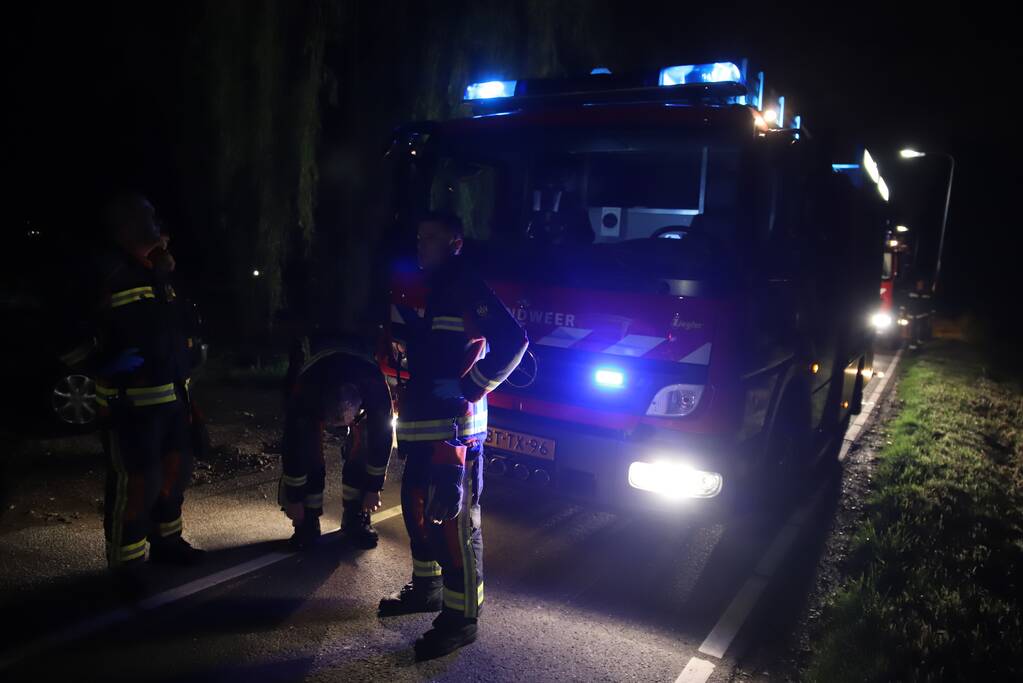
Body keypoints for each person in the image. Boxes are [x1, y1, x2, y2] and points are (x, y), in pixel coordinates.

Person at [379, 211, 528, 660]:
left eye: (432, 238)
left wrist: (470, 385)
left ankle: (461, 619)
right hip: (422, 425)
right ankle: (426, 589)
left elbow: (514, 341)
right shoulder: (427, 286)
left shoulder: (466, 285)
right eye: (419, 236)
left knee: (455, 522)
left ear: (455, 243)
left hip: (454, 431)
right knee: (417, 509)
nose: (422, 245)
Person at [57, 193, 203, 590]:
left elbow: (175, 326)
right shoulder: (103, 273)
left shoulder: (157, 272)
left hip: (172, 400)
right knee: (137, 483)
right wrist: (101, 365)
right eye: (147, 215)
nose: (157, 221)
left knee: (174, 474)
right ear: (124, 226)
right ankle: (126, 568)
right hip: (131, 408)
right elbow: (65, 334)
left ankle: (168, 542)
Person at [279, 334, 393, 549]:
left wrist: (373, 489)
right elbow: (293, 446)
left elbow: (382, 437)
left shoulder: (375, 387)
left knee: (365, 442)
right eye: (334, 422)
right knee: (307, 447)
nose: (339, 428)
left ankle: (356, 516)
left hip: (358, 363)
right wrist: (294, 499)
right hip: (319, 374)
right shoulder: (306, 390)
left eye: (344, 422)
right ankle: (306, 522)